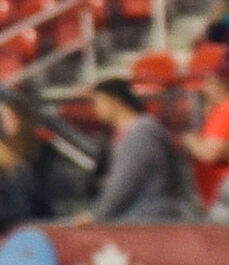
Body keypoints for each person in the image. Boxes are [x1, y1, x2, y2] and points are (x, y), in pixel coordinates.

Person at [82, 78, 196, 222]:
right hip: (132, 215)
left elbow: (125, 181)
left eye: (97, 102)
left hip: (148, 218)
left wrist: (97, 215)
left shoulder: (141, 132)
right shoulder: (119, 134)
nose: (95, 109)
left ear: (114, 101)